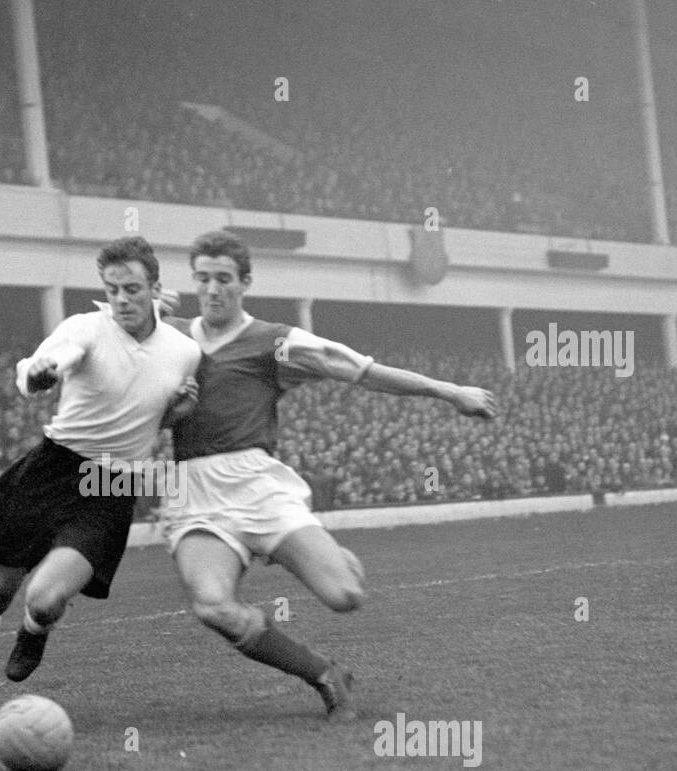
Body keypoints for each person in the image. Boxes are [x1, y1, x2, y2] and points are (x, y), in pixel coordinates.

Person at [159, 230, 497, 718]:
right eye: (203, 279)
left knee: (345, 596)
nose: (212, 290)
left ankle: (314, 548)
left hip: (257, 488)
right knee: (213, 606)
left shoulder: (272, 343)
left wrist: (448, 391)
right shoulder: (170, 338)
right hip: (195, 495)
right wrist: (148, 317)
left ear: (246, 282)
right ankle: (324, 674)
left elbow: (360, 369)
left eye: (224, 279)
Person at [0, 235, 201, 733]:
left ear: (155, 288)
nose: (121, 299)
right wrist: (40, 373)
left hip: (109, 487)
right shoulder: (85, 329)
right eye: (112, 288)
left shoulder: (184, 352)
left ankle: (35, 631)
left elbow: (145, 416)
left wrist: (176, 415)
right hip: (51, 471)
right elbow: (41, 366)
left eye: (132, 288)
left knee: (45, 599)